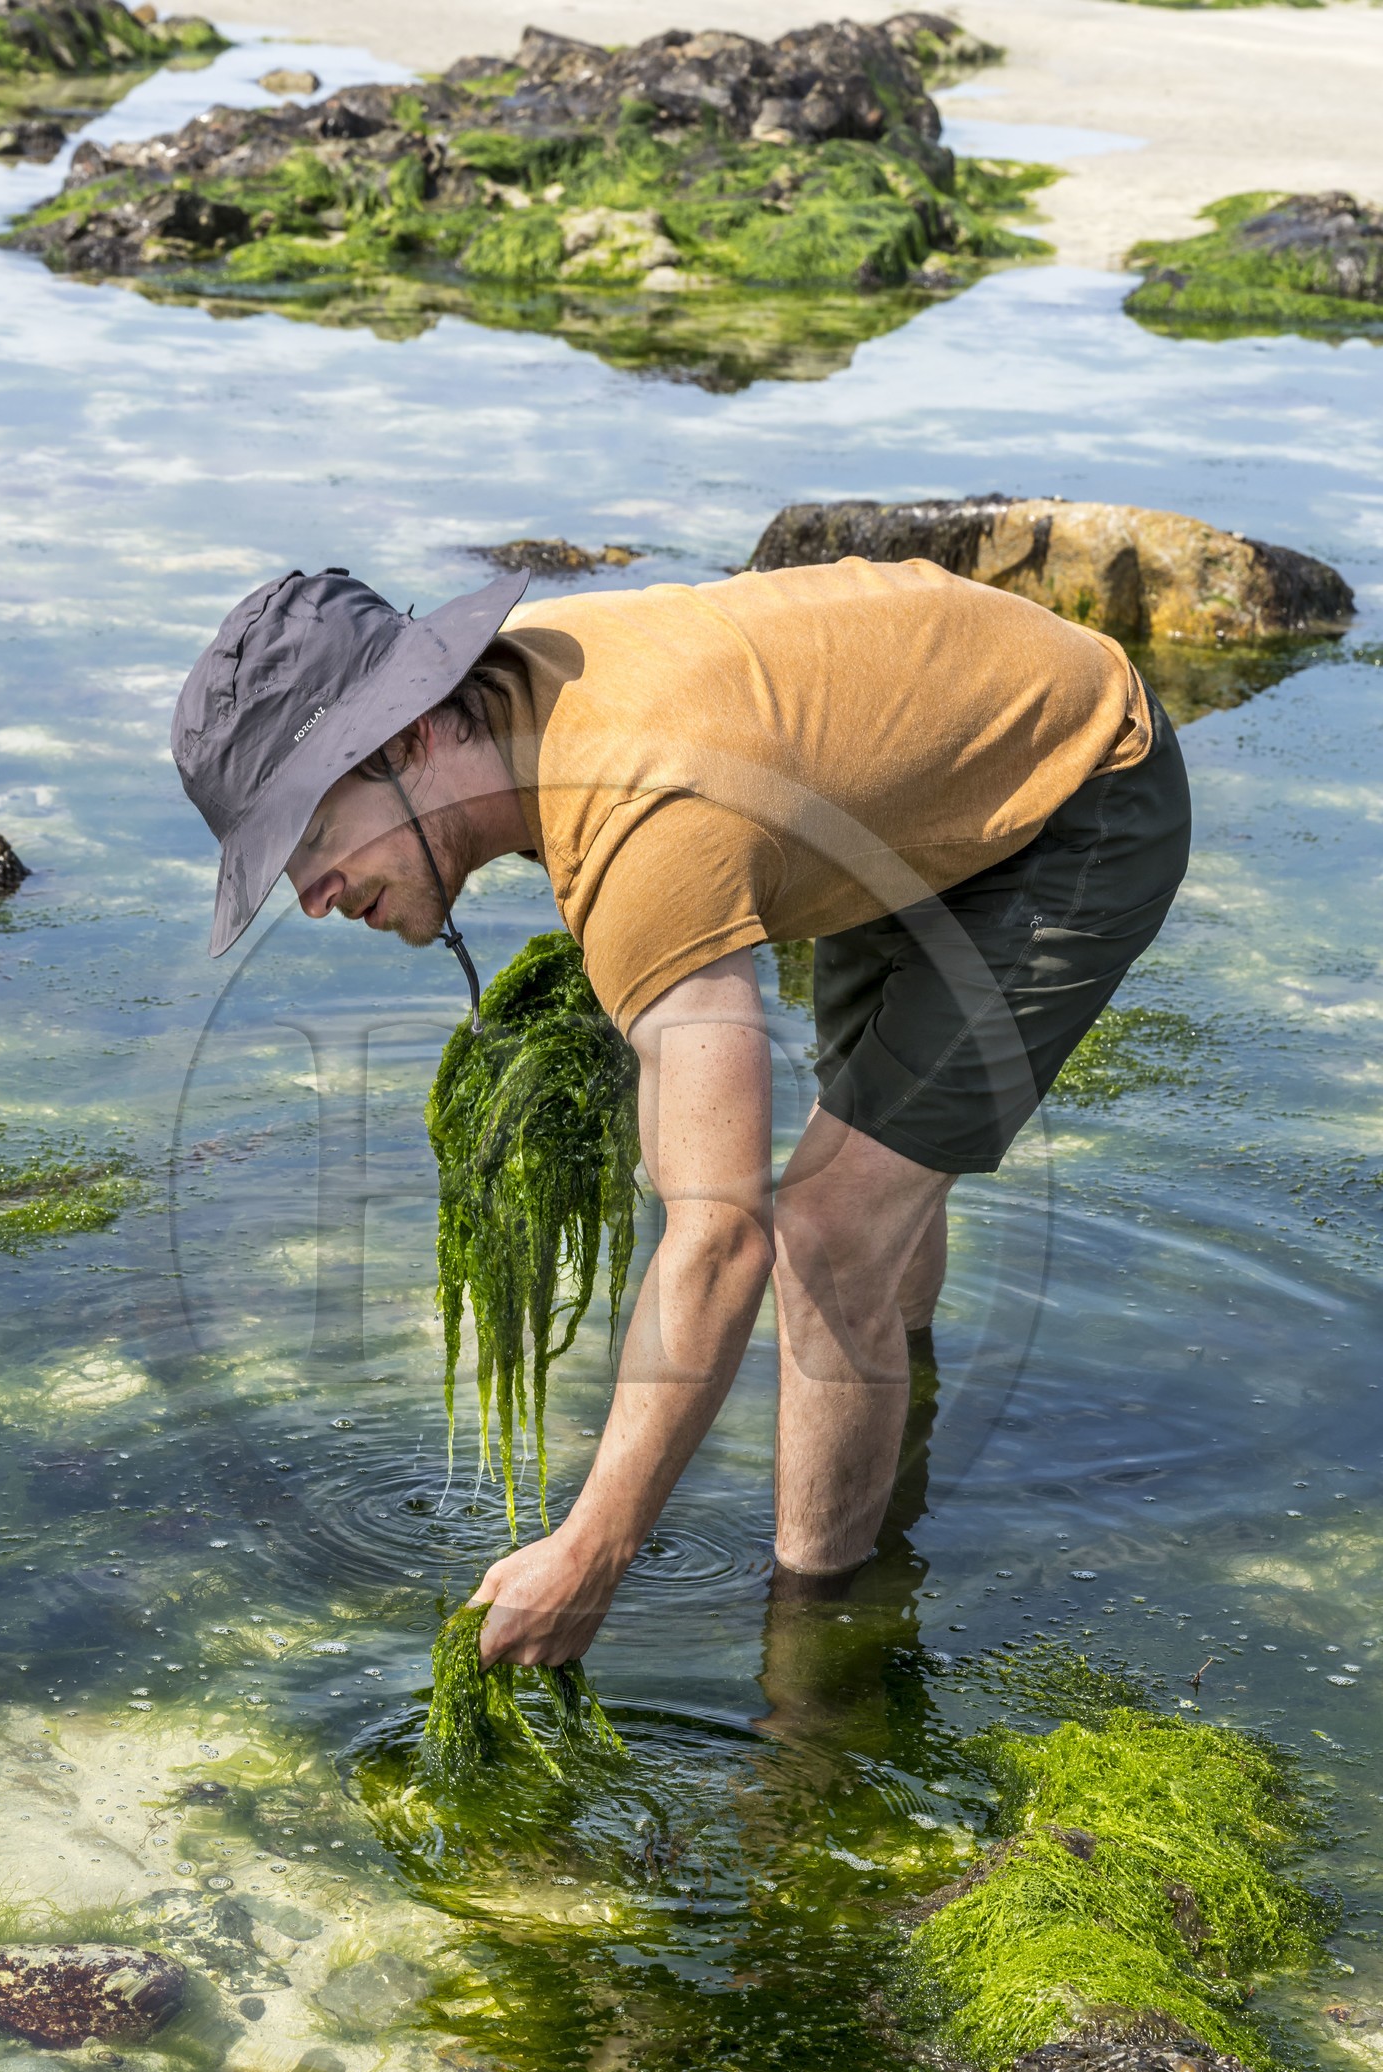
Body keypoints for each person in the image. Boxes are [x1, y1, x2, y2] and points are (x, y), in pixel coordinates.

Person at [172, 557, 1190, 1669]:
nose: (312, 896)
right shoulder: (515, 700)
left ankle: (819, 1669)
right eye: (284, 871)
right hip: (907, 774)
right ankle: (899, 1466)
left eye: (313, 837)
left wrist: (594, 1550)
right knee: (869, 1185)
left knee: (828, 1237)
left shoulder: (637, 808)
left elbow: (719, 1237)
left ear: (412, 737)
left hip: (1077, 781)